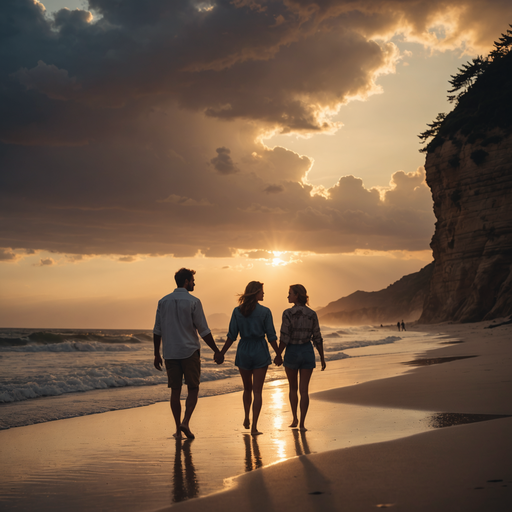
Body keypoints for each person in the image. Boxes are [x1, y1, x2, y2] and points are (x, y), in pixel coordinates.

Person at [153, 268, 223, 440]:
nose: (194, 283)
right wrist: (216, 351)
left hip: (170, 352)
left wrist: (156, 354)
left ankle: (178, 430)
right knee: (193, 388)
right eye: (192, 280)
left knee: (175, 391)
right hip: (190, 351)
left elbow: (157, 330)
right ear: (186, 281)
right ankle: (185, 422)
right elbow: (203, 330)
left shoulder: (163, 301)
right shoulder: (194, 301)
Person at [218, 281, 279, 436]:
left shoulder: (237, 311)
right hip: (259, 349)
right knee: (257, 391)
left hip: (244, 350)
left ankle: (246, 417)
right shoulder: (265, 311)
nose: (263, 294)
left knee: (247, 388)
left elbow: (232, 336)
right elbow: (271, 336)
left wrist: (222, 352)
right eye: (261, 291)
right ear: (255, 292)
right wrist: (278, 353)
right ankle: (254, 427)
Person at [274, 284, 326, 431]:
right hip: (307, 351)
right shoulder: (312, 314)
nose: (288, 296)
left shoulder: (288, 313)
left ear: (297, 295)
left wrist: (278, 354)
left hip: (292, 351)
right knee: (304, 390)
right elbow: (317, 337)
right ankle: (302, 423)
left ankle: (295, 419)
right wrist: (322, 357)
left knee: (293, 388)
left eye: (290, 293)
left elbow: (285, 336)